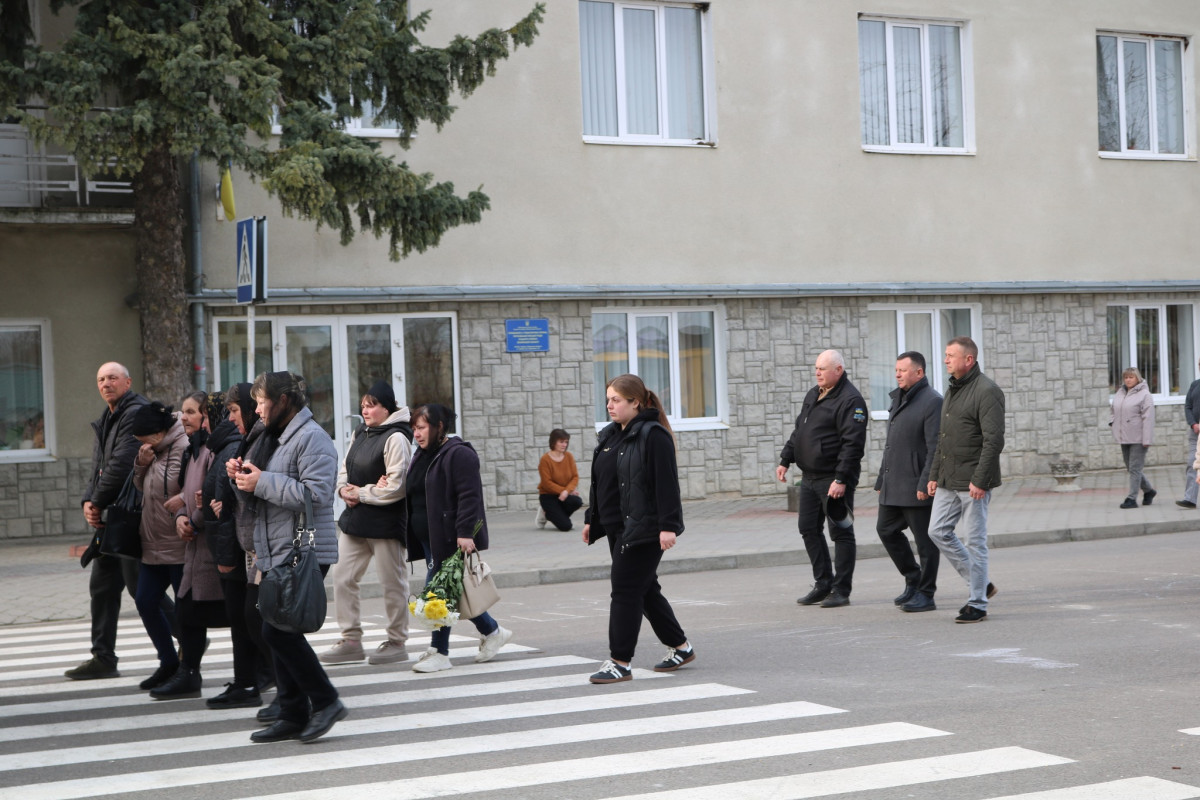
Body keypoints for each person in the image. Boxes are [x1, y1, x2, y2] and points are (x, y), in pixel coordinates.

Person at [229, 371, 344, 743]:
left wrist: (261, 481)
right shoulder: (274, 438)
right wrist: (243, 478)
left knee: (278, 632)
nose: (257, 410)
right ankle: (293, 712)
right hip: (275, 547)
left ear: (283, 401)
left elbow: (317, 495)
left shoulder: (313, 438)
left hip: (304, 549)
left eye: (262, 402)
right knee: (275, 628)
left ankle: (326, 701)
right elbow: (264, 496)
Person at [582, 374, 693, 685]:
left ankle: (620, 661)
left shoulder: (652, 435)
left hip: (645, 528)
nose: (610, 405)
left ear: (635, 402)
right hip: (618, 527)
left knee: (625, 590)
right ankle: (681, 647)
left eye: (616, 400)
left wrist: (668, 527)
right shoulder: (611, 435)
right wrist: (592, 517)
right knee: (644, 589)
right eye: (608, 400)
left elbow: (666, 484)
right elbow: (599, 481)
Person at [404, 403, 512, 674]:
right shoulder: (422, 454)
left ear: (439, 427)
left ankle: (440, 652)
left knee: (437, 596)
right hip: (428, 537)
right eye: (414, 428)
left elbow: (470, 496)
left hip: (449, 538)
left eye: (422, 427)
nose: (416, 434)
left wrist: (465, 533)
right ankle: (493, 631)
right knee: (454, 591)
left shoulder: (459, 455)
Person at [321, 380, 414, 666]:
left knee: (392, 583)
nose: (365, 410)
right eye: (363, 405)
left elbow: (397, 487)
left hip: (386, 524)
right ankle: (351, 640)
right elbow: (345, 469)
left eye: (372, 405)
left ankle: (397, 641)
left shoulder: (396, 438)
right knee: (342, 577)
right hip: (356, 521)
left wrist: (360, 492)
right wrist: (343, 491)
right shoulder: (360, 432)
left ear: (387, 408)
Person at [68, 362, 150, 680]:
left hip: (131, 516)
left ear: (127, 382)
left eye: (112, 378)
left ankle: (187, 638)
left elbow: (120, 465)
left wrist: (98, 501)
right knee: (102, 587)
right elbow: (99, 466)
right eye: (101, 379)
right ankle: (103, 657)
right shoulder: (108, 417)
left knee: (140, 589)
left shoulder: (134, 413)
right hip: (112, 518)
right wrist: (89, 501)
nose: (106, 384)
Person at [150, 391, 229, 700]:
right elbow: (186, 491)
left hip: (213, 544)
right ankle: (188, 674)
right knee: (187, 613)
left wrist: (193, 520)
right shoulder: (192, 451)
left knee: (233, 615)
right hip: (194, 547)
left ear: (207, 417)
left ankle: (259, 671)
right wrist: (182, 517)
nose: (183, 417)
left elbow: (212, 495)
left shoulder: (214, 450)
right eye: (182, 411)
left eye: (191, 412)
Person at [776, 349, 867, 608]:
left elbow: (853, 445)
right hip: (809, 478)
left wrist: (841, 479)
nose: (817, 373)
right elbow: (800, 430)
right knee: (808, 528)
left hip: (833, 479)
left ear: (838, 370)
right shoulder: (814, 394)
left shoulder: (851, 401)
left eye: (823, 368)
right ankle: (823, 583)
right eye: (816, 368)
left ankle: (841, 590)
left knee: (841, 533)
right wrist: (785, 459)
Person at [927, 336, 1005, 624]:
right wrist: (934, 475)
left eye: (951, 355)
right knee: (937, 531)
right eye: (946, 355)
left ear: (968, 360)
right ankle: (981, 581)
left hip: (974, 482)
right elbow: (943, 438)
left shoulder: (987, 391)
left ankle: (978, 602)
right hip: (949, 479)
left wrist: (980, 480)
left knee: (975, 541)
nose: (946, 360)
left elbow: (993, 440)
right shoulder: (952, 389)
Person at [201, 387, 266, 709]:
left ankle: (277, 685)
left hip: (254, 550)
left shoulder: (255, 440)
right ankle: (250, 682)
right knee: (246, 621)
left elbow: (259, 496)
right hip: (243, 546)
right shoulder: (242, 440)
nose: (229, 418)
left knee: (256, 623)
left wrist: (226, 502)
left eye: (234, 411)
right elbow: (236, 498)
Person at [875, 352, 942, 613]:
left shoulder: (932, 401)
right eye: (896, 370)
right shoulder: (898, 398)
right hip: (894, 483)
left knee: (925, 543)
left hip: (917, 484)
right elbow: (891, 444)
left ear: (919, 373)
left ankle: (926, 594)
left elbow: (935, 446)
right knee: (886, 530)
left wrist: (926, 481)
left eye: (903, 370)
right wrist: (882, 477)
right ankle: (913, 578)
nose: (897, 374)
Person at [130, 401, 189, 690]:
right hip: (151, 540)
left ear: (160, 431)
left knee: (184, 609)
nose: (141, 444)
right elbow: (142, 487)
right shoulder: (152, 449)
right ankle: (168, 662)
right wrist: (141, 463)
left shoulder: (183, 445)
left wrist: (186, 501)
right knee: (145, 600)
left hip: (178, 542)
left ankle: (188, 668)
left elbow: (193, 485)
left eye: (144, 438)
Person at [1110, 366, 1156, 509]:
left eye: (1131, 377)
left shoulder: (1144, 394)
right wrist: (1112, 422)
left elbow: (1148, 418)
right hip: (1124, 436)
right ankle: (1149, 491)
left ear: (1137, 378)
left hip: (1138, 437)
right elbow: (1114, 409)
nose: (1128, 380)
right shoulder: (1121, 392)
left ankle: (1131, 498)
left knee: (1135, 468)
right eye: (1126, 377)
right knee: (1131, 468)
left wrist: (1146, 439)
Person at [536, 429, 583, 531]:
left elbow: (575, 477)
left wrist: (567, 491)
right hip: (548, 496)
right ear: (553, 442)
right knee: (566, 527)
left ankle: (551, 514)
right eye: (561, 442)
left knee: (577, 501)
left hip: (563, 494)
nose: (564, 445)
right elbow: (546, 483)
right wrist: (564, 491)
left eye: (566, 442)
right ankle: (547, 512)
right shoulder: (545, 460)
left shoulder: (569, 456)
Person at [1177, 364, 1200, 509]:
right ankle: (1190, 499)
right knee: (1192, 463)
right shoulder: (1195, 385)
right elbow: (1188, 406)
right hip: (1195, 432)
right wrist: (1193, 423)